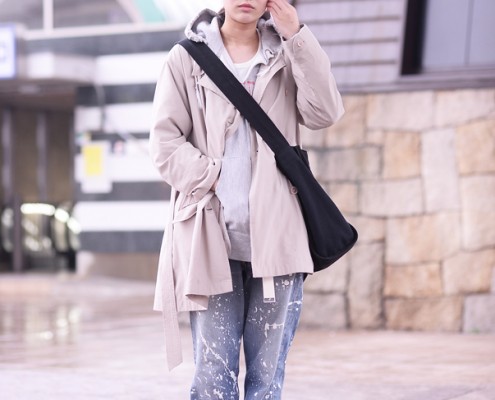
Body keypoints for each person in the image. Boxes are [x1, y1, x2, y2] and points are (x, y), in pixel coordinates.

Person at [149, 1, 344, 398]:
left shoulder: (287, 53)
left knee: (266, 380)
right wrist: (213, 175)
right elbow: (165, 144)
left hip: (278, 238)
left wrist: (297, 36)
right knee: (213, 378)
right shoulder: (186, 58)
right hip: (210, 238)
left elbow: (324, 113)